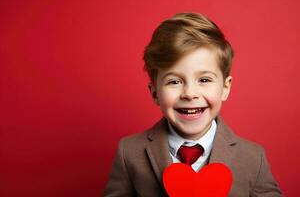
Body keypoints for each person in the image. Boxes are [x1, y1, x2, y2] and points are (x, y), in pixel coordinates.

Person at [103, 12, 282, 197]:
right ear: (155, 92)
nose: (190, 93)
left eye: (204, 80)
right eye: (174, 81)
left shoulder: (253, 158)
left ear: (225, 88)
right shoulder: (129, 152)